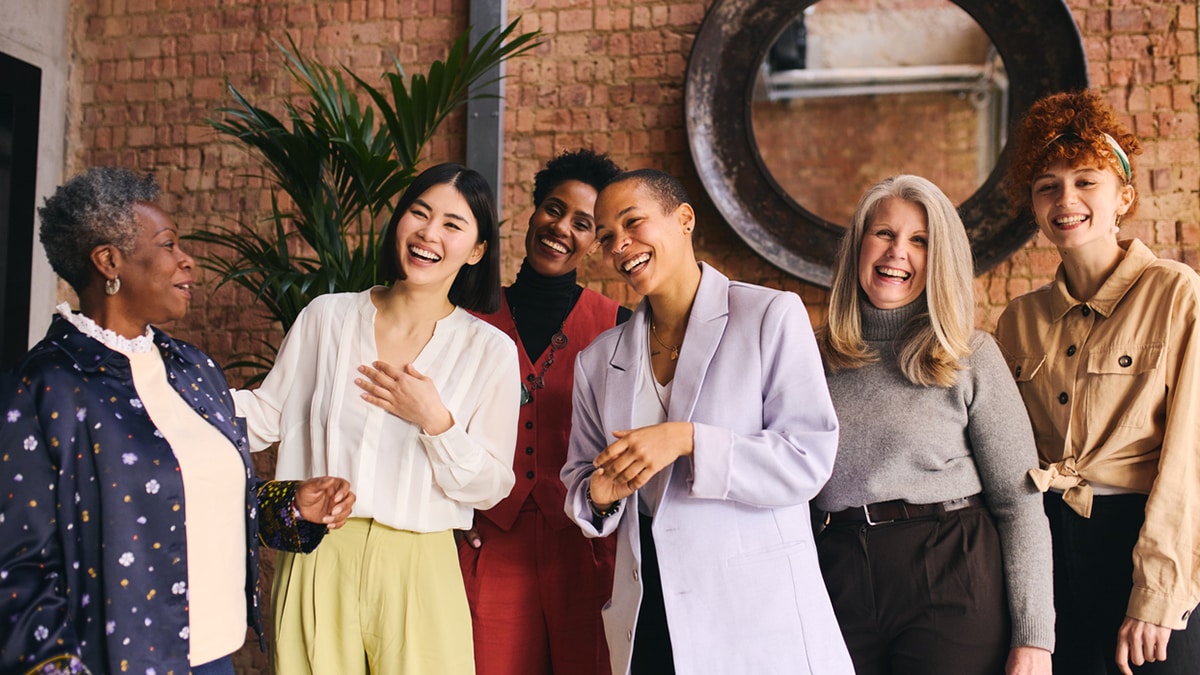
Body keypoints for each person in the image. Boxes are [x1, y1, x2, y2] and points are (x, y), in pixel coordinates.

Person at [0, 167, 355, 675]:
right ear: (109, 261)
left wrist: (291, 505)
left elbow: (185, 500)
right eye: (168, 245)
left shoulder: (194, 369)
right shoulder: (44, 387)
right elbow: (17, 566)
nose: (187, 260)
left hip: (216, 657)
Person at [561, 168, 854, 675]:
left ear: (684, 219)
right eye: (606, 238)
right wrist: (600, 495)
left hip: (755, 612)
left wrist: (688, 439)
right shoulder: (597, 361)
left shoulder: (770, 316)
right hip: (650, 609)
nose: (620, 246)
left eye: (633, 223)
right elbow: (582, 481)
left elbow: (807, 459)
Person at [232, 162, 521, 675]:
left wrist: (436, 421)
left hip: (421, 567)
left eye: (453, 225)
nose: (429, 234)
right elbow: (263, 415)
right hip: (319, 556)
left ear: (476, 250)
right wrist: (170, 396)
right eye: (419, 213)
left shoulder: (489, 350)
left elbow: (492, 486)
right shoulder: (327, 317)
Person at [812, 174, 1055, 675]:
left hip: (950, 572)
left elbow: (1020, 504)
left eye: (919, 240)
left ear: (938, 258)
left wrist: (1035, 638)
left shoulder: (970, 355)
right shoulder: (807, 356)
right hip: (837, 575)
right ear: (858, 244)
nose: (897, 251)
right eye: (883, 234)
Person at [995, 90, 1200, 675]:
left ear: (1123, 199)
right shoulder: (1017, 320)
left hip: (1144, 548)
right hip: (1050, 553)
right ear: (1034, 208)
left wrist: (1158, 594)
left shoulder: (1176, 293)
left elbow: (1191, 458)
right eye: (1048, 186)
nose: (1067, 200)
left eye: (1087, 181)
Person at [462, 149, 630, 675]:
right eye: (553, 209)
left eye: (583, 223)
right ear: (533, 212)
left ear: (597, 239)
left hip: (583, 547)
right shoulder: (465, 318)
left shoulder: (619, 327)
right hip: (490, 540)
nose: (561, 228)